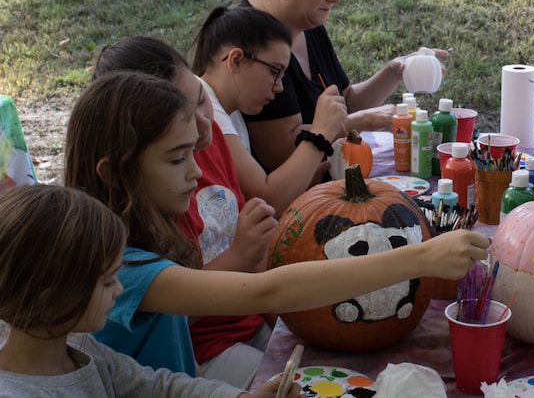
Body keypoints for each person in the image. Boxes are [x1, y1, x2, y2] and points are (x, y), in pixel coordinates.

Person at [63, 71, 490, 376]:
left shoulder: (146, 240)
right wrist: (417, 258)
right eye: (178, 159)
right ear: (114, 172)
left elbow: (176, 365)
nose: (196, 173)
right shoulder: (128, 271)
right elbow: (273, 289)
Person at [0, 184, 299, 398]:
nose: (118, 288)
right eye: (106, 282)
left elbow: (162, 387)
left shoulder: (81, 349)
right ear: (50, 296)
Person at [95, 36, 275, 389]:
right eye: (179, 156)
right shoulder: (129, 262)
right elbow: (267, 291)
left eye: (201, 100)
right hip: (215, 342)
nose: (203, 125)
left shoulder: (176, 176)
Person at [241, 0, 449, 172]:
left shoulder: (308, 24)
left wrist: (394, 71)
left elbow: (345, 100)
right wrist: (363, 121)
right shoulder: (252, 38)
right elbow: (279, 150)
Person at [191, 5, 348, 215]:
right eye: (275, 72)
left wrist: (300, 180)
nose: (279, 86)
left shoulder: (231, 112)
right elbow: (267, 199)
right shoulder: (208, 113)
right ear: (236, 61)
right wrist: (320, 134)